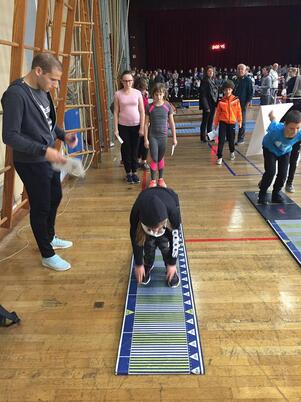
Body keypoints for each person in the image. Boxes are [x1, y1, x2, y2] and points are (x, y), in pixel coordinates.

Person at [1, 53, 78, 271]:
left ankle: (49, 235)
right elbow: (10, 136)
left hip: (47, 156)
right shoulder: (16, 95)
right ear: (38, 72)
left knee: (56, 195)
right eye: (53, 79)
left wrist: (63, 135)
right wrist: (44, 151)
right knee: (41, 205)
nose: (55, 85)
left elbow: (47, 123)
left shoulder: (42, 91)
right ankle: (47, 253)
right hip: (31, 161)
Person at [130, 186, 181, 288]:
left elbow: (175, 240)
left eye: (157, 229)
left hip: (168, 198)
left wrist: (172, 264)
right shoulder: (136, 212)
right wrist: (139, 264)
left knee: (165, 244)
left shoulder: (173, 214)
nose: (155, 232)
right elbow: (136, 240)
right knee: (148, 244)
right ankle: (148, 263)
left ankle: (168, 264)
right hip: (145, 198)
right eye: (151, 229)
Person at [258, 110, 301, 204]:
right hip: (269, 148)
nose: (295, 131)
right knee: (270, 172)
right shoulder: (275, 129)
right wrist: (272, 116)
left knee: (283, 174)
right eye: (291, 128)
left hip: (284, 152)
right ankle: (262, 194)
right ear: (285, 124)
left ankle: (276, 194)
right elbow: (273, 120)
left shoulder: (299, 133)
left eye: (297, 128)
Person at [113, 70, 145, 184]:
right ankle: (128, 173)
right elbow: (116, 112)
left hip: (136, 125)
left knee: (135, 149)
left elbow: (142, 111)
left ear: (133, 81)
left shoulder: (137, 93)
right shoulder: (118, 94)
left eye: (130, 81)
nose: (128, 83)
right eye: (125, 81)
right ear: (122, 81)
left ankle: (135, 172)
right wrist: (115, 129)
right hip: (123, 126)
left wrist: (142, 127)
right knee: (126, 149)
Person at [144, 83, 177, 188]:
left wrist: (174, 138)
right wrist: (146, 139)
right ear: (153, 95)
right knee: (154, 157)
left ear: (164, 94)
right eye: (156, 94)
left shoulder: (167, 106)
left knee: (161, 157)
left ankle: (161, 179)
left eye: (160, 94)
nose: (158, 97)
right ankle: (153, 180)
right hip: (153, 136)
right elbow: (146, 124)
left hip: (164, 136)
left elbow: (171, 123)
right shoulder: (149, 107)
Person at [213, 80, 242, 165]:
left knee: (231, 139)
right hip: (223, 122)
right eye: (225, 90)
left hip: (232, 123)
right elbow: (218, 113)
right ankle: (219, 157)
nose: (227, 91)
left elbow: (239, 111)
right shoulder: (221, 101)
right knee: (221, 140)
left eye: (229, 89)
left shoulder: (236, 100)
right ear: (223, 91)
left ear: (232, 90)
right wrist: (215, 123)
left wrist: (239, 121)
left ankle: (232, 152)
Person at [233, 63, 253, 144]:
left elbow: (250, 93)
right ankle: (230, 138)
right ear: (237, 70)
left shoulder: (248, 80)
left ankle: (240, 139)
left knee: (242, 123)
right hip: (233, 104)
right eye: (239, 69)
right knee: (231, 122)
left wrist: (247, 102)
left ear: (245, 71)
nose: (240, 70)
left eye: (242, 69)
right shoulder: (234, 79)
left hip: (243, 104)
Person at [199, 65, 218, 143]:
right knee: (205, 122)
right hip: (207, 105)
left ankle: (210, 137)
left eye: (212, 71)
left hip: (212, 104)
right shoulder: (205, 81)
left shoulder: (212, 80)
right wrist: (206, 107)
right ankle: (203, 138)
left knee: (210, 122)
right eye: (209, 71)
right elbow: (203, 95)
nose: (211, 72)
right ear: (206, 72)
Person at [135, 77, 149, 171]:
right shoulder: (136, 95)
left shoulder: (143, 95)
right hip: (138, 122)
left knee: (144, 142)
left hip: (144, 122)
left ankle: (142, 161)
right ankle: (139, 160)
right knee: (139, 142)